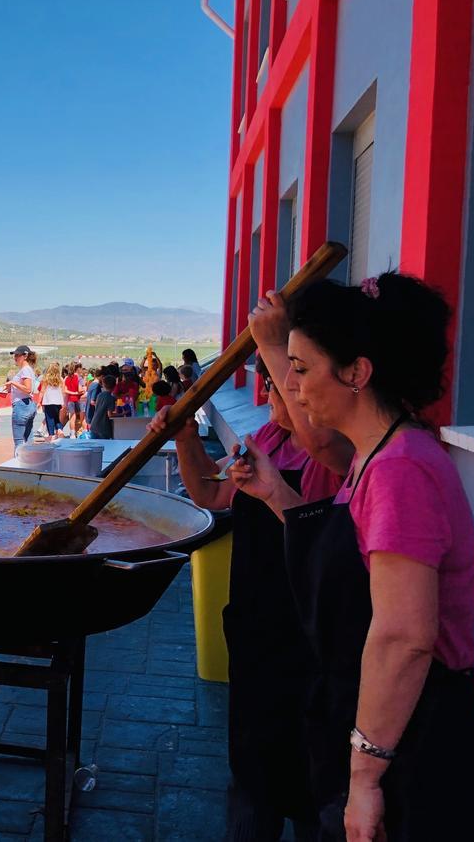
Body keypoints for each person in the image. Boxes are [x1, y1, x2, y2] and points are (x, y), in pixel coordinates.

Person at [232, 276, 474, 841]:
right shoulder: (374, 456)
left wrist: (364, 779)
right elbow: (346, 557)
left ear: (357, 373)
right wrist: (275, 493)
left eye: (301, 368)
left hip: (429, 758)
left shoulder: (400, 469)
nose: (289, 385)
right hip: (395, 736)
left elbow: (404, 637)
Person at [152, 357, 345, 841]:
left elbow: (324, 541)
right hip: (258, 631)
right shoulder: (268, 440)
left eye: (278, 385)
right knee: (252, 765)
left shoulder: (336, 456)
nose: (268, 395)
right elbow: (209, 493)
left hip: (312, 640)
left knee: (312, 774)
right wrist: (186, 438)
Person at [7, 345, 36, 451]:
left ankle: (18, 460)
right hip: (28, 404)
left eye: (18, 355)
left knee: (19, 442)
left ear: (25, 356)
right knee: (28, 439)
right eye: (15, 355)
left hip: (21, 406)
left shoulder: (25, 370)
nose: (15, 357)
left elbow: (28, 389)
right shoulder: (28, 369)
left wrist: (13, 383)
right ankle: (31, 460)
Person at [87, 373, 118, 440]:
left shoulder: (99, 395)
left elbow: (97, 407)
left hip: (94, 425)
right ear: (114, 386)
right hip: (103, 428)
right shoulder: (111, 398)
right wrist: (122, 414)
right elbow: (110, 414)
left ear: (103, 384)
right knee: (105, 445)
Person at [40, 362, 65, 440]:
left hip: (48, 402)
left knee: (49, 418)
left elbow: (42, 391)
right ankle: (59, 429)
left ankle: (51, 435)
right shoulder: (61, 379)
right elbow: (63, 391)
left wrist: (39, 402)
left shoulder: (46, 379)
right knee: (57, 418)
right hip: (58, 402)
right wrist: (63, 402)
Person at [63, 363, 84, 437]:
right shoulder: (78, 377)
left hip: (70, 399)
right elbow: (80, 390)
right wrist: (80, 391)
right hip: (78, 399)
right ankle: (81, 432)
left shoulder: (67, 378)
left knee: (72, 417)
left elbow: (65, 390)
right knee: (81, 417)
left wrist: (72, 393)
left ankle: (72, 433)